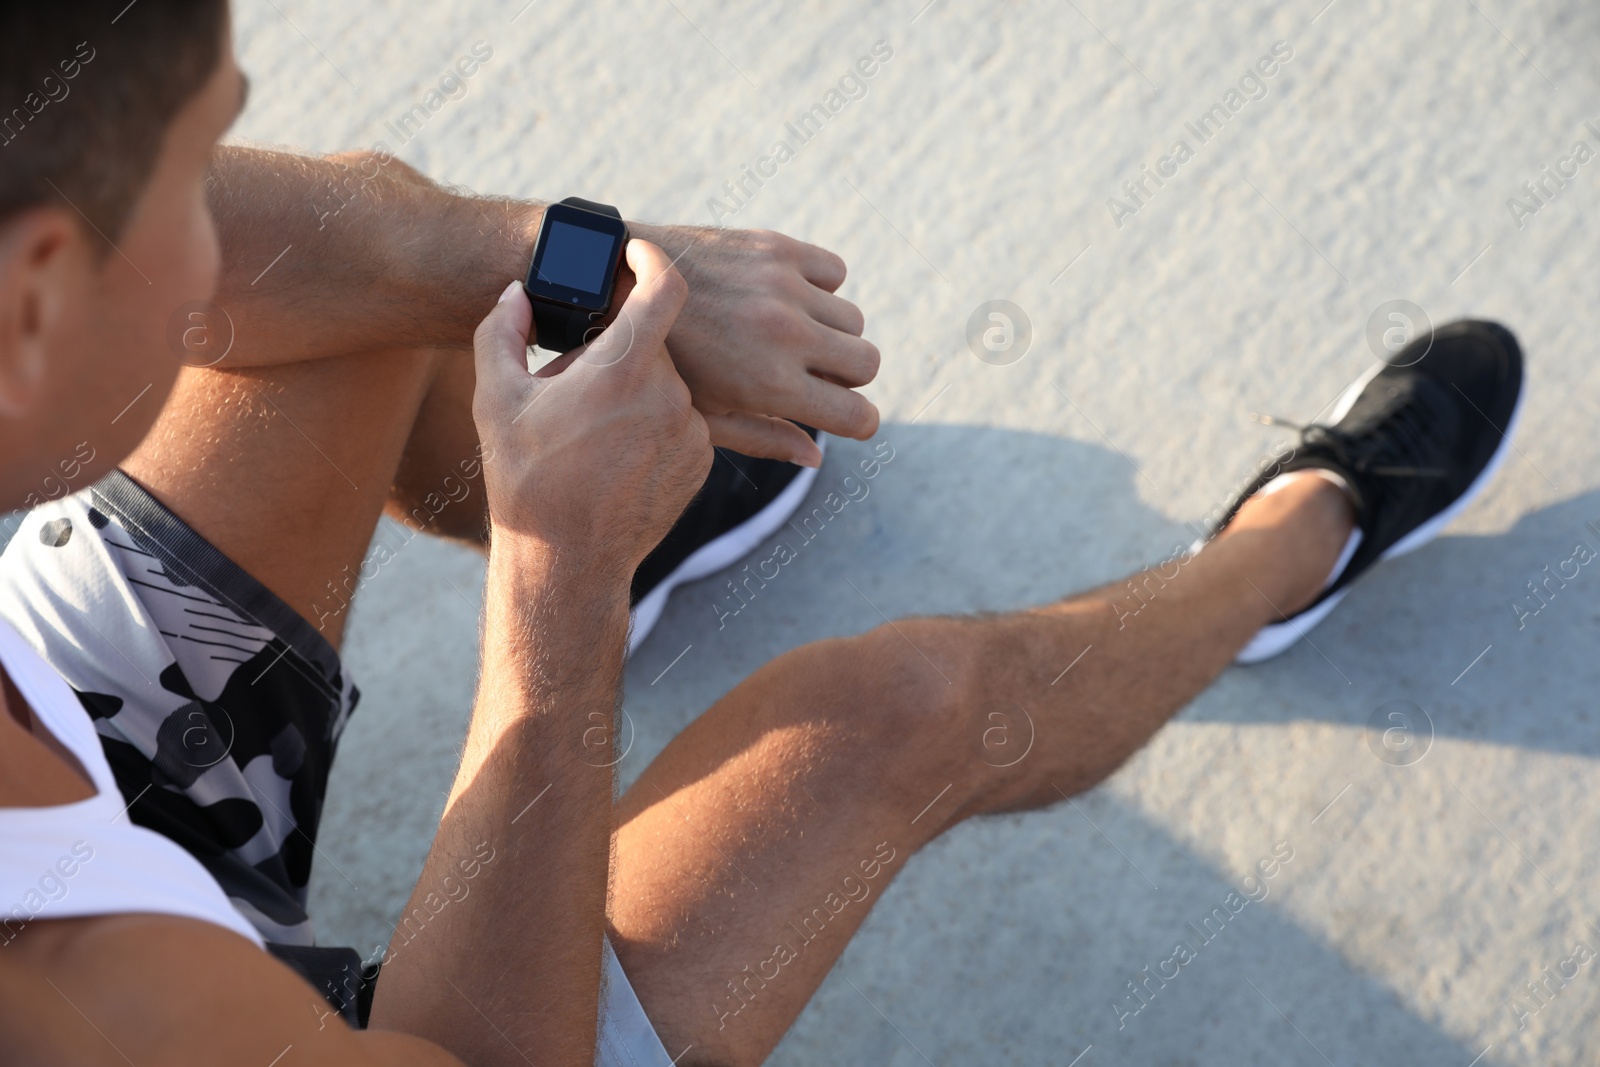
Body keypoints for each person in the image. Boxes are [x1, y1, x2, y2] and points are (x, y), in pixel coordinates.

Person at [0, 3, 1525, 1065]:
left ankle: (641, 508)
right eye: (184, 192)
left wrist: (552, 263)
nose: (213, 231)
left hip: (75, 790)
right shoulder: (69, 1008)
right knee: (889, 716)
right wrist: (560, 587)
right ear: (34, 301)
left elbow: (304, 249)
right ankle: (1293, 549)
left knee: (374, 264)